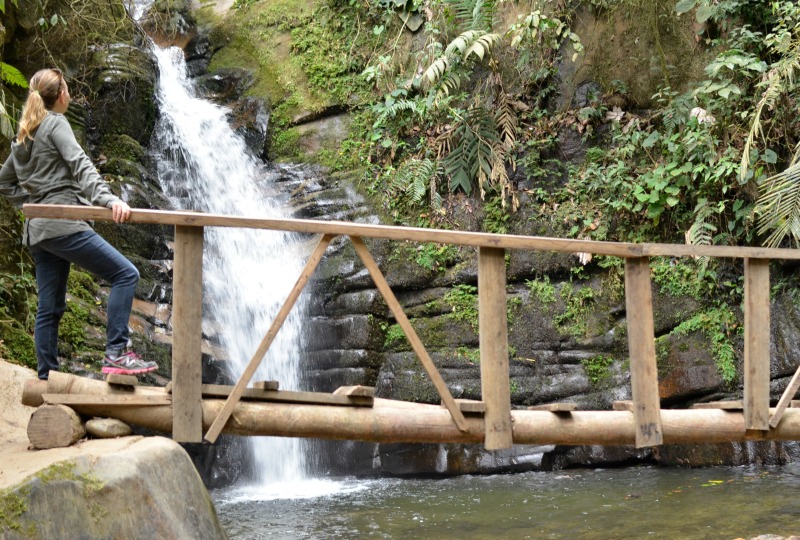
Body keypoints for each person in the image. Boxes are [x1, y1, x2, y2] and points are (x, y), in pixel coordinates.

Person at [0, 68, 157, 379]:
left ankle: (47, 376)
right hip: (64, 225)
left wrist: (31, 207)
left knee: (50, 307)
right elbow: (80, 164)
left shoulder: (24, 135)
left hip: (40, 233)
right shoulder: (56, 123)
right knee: (126, 274)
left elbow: (4, 183)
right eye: (68, 90)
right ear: (61, 95)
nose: (69, 95)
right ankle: (116, 354)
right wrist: (110, 200)